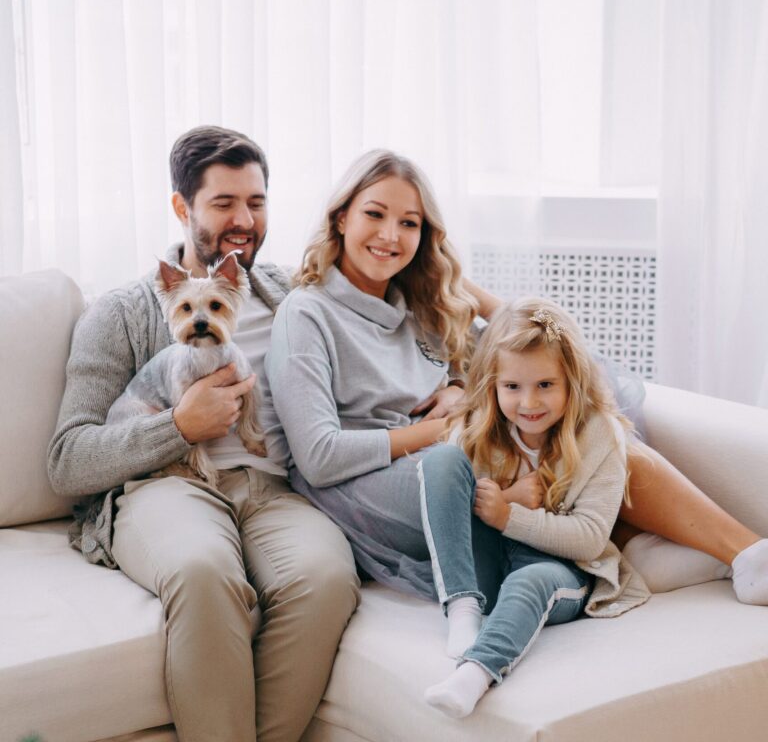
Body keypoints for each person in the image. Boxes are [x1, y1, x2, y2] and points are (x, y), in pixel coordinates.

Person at [265, 147, 768, 608]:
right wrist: (440, 428)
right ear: (341, 217)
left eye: (410, 223)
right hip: (377, 485)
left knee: (583, 413)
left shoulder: (415, 304)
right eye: (374, 214)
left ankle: (712, 551)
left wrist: (449, 291)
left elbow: (536, 349)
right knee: (572, 440)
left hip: (450, 454)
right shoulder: (307, 312)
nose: (391, 236)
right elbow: (319, 456)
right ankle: (735, 552)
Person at [47, 126, 360, 742]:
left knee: (326, 579)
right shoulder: (121, 312)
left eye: (257, 202)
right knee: (202, 572)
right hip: (166, 488)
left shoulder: (295, 295)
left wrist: (455, 383)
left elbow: (401, 328)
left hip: (275, 491)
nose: (244, 219)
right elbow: (66, 460)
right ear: (181, 207)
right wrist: (177, 426)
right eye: (224, 203)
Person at [419, 298, 648, 718]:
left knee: (529, 580)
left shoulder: (600, 433)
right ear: (493, 383)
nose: (529, 403)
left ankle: (474, 673)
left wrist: (510, 517)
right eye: (512, 387)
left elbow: (590, 538)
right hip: (488, 565)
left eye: (545, 385)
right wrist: (507, 501)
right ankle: (463, 608)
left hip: (562, 569)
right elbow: (450, 509)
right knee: (440, 461)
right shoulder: (477, 426)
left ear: (571, 380)